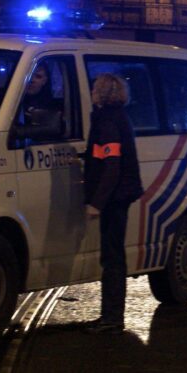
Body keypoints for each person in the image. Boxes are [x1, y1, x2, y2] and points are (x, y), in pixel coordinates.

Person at [81, 73, 144, 335]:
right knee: (113, 255)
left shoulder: (106, 120)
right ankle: (110, 315)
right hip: (121, 193)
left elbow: (111, 166)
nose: (92, 91)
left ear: (101, 93)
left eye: (95, 88)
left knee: (112, 257)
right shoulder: (119, 117)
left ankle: (112, 317)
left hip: (115, 197)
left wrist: (97, 202)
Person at [20, 62, 63, 136]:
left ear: (45, 81)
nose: (32, 80)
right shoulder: (8, 101)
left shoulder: (51, 106)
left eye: (38, 76)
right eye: (28, 75)